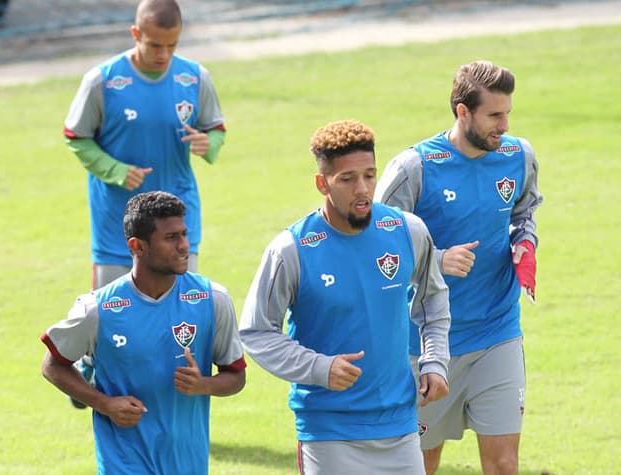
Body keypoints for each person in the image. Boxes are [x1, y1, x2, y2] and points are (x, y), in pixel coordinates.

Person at [239, 119, 451, 475]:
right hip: (328, 431)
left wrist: (435, 361)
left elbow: (432, 298)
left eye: (369, 175)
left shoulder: (406, 230)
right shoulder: (292, 250)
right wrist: (320, 368)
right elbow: (256, 331)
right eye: (348, 179)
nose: (363, 189)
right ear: (323, 183)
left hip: (399, 423)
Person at [374, 60, 543, 475]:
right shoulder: (413, 168)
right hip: (428, 345)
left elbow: (525, 213)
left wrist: (524, 243)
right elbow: (376, 249)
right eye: (494, 115)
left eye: (508, 113)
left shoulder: (518, 157)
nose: (504, 125)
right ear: (462, 112)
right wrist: (435, 260)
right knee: (420, 464)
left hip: (497, 331)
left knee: (504, 464)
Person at [40, 191, 246, 475]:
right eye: (171, 238)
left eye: (184, 234)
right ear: (138, 246)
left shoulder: (212, 300)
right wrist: (105, 404)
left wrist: (204, 385)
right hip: (123, 463)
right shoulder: (98, 309)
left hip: (188, 463)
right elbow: (52, 365)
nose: (184, 245)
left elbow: (236, 375)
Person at [64, 0, 226, 289]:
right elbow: (76, 137)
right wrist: (115, 170)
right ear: (136, 34)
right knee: (115, 322)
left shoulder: (195, 77)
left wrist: (208, 143)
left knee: (180, 317)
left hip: (176, 223)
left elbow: (216, 129)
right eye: (154, 45)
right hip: (117, 226)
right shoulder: (102, 81)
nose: (163, 54)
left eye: (172, 45)